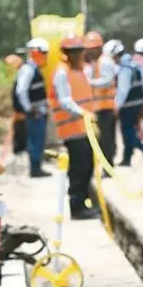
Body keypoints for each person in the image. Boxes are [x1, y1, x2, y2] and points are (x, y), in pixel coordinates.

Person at [51, 35, 99, 220]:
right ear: (67, 54)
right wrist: (83, 114)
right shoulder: (62, 73)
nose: (80, 55)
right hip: (72, 130)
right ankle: (77, 207)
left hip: (84, 129)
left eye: (81, 51)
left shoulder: (80, 71)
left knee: (87, 166)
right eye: (76, 52)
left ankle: (84, 202)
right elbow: (65, 101)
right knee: (79, 169)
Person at [12, 38, 51, 178]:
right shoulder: (28, 70)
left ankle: (37, 167)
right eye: (44, 53)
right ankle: (35, 169)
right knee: (35, 140)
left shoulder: (34, 69)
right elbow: (20, 91)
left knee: (39, 140)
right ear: (36, 53)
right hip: (35, 113)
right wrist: (29, 108)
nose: (46, 56)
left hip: (39, 112)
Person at [83, 31, 117, 174]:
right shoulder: (96, 63)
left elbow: (107, 81)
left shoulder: (105, 62)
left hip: (106, 108)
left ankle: (108, 167)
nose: (88, 52)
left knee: (106, 140)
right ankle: (105, 166)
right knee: (102, 139)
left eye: (91, 49)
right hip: (100, 107)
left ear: (97, 48)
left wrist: (89, 83)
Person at [114, 41, 143, 167]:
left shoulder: (125, 68)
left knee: (127, 131)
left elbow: (123, 89)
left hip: (128, 105)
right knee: (130, 130)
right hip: (137, 103)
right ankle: (127, 158)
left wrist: (117, 105)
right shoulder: (131, 64)